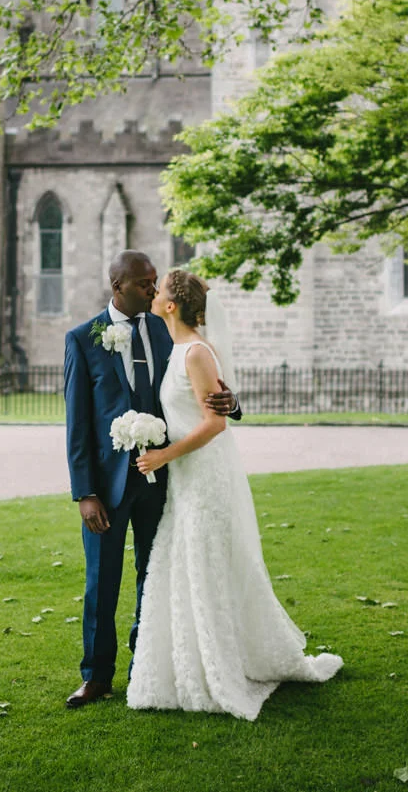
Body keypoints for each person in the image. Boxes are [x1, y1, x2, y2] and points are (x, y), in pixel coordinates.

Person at [127, 269, 342, 721]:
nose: (154, 290)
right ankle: (188, 665)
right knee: (184, 562)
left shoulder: (198, 352)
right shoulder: (177, 346)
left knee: (204, 564)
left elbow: (215, 423)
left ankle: (221, 670)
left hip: (203, 474)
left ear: (171, 304)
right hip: (186, 478)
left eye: (160, 288)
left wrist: (164, 455)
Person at [61, 251, 239, 709]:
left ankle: (146, 663)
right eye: (144, 283)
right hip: (106, 485)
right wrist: (85, 492)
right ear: (117, 286)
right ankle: (97, 676)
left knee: (153, 574)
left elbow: (197, 387)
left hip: (163, 479)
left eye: (155, 282)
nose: (152, 289)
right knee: (101, 579)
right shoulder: (83, 340)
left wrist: (229, 401)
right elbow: (77, 424)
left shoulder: (168, 330)